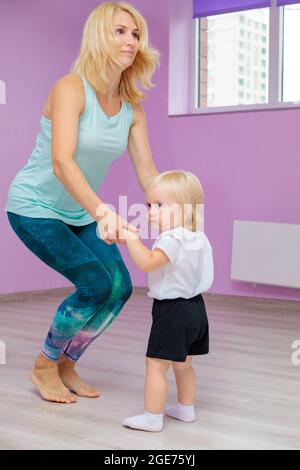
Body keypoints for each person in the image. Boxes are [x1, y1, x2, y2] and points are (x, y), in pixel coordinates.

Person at [4, 1, 160, 404]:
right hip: (34, 208)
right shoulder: (71, 88)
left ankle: (67, 363)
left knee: (121, 287)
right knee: (94, 283)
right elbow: (61, 162)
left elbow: (148, 174)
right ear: (99, 37)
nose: (131, 41)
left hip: (79, 212)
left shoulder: (132, 110)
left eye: (136, 33)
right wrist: (106, 212)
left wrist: (178, 210)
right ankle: (43, 366)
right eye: (121, 31)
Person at [121, 170, 214, 432]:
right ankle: (186, 409)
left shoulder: (171, 238)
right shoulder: (197, 236)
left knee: (155, 364)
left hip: (173, 311)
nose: (151, 211)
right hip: (196, 308)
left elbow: (148, 263)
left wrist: (130, 238)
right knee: (183, 362)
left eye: (160, 205)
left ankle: (152, 417)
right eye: (149, 205)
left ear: (186, 209)